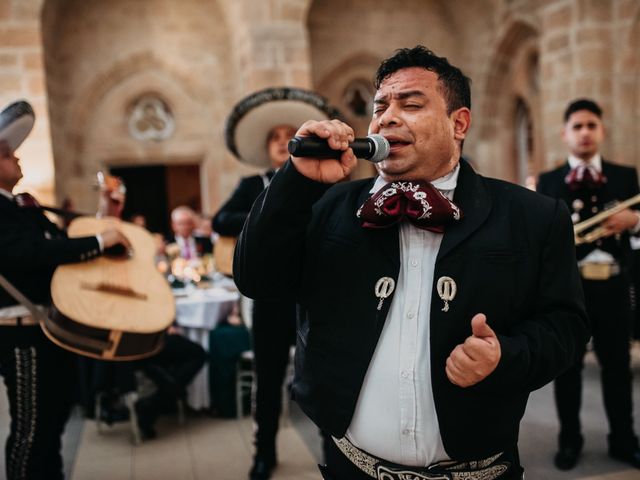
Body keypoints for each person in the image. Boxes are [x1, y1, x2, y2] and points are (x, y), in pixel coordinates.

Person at [233, 46, 590, 480]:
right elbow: (256, 277)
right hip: (352, 468)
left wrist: (506, 357)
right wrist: (294, 183)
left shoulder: (533, 216)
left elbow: (566, 327)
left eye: (412, 104)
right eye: (380, 106)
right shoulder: (328, 206)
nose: (386, 117)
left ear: (459, 124)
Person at [213, 87, 340, 480]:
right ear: (268, 147)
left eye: (290, 134)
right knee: (267, 379)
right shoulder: (252, 186)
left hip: (311, 295)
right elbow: (220, 221)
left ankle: (330, 451)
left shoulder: (322, 181)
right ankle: (263, 452)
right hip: (269, 297)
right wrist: (271, 210)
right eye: (276, 136)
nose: (283, 140)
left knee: (320, 376)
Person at [0, 100, 130, 480]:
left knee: (52, 426)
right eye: (7, 154)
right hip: (19, 333)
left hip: (48, 329)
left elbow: (65, 244)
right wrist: (102, 242)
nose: (18, 159)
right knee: (29, 432)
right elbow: (32, 253)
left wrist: (106, 217)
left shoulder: (22, 206)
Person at [537, 98, 640, 470]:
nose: (584, 132)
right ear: (565, 134)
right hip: (571, 290)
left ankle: (624, 441)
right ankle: (569, 441)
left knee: (617, 367)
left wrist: (634, 221)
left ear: (602, 131)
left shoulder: (626, 175)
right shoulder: (548, 181)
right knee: (568, 369)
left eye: (591, 125)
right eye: (577, 126)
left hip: (613, 286)